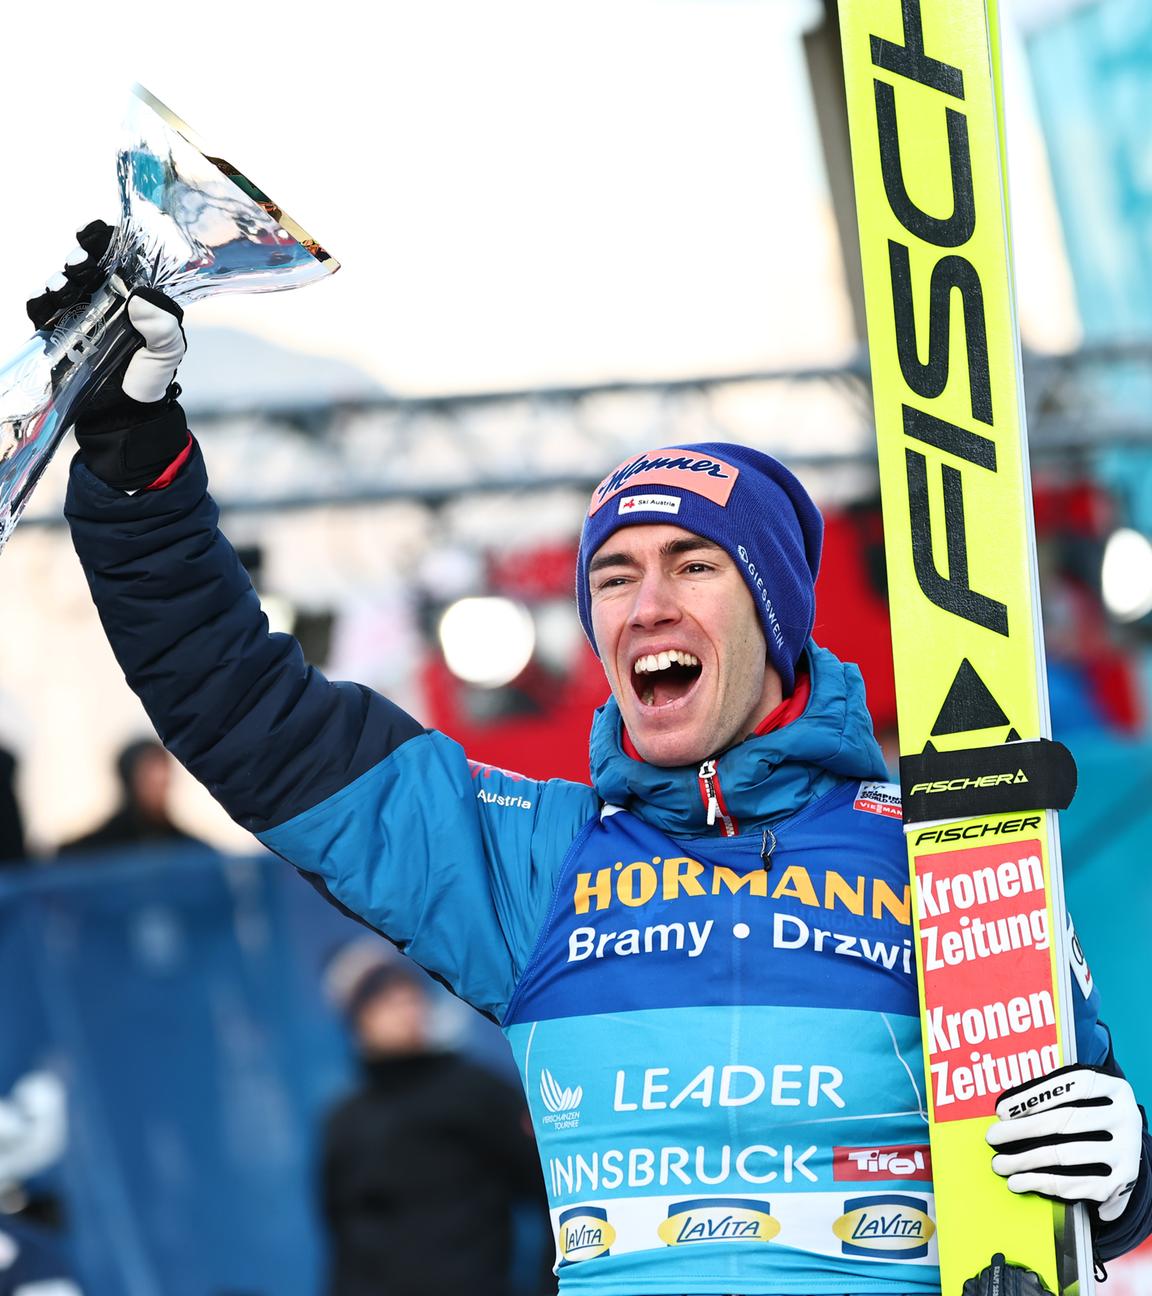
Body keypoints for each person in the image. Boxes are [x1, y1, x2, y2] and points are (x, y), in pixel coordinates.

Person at [37, 227, 1152, 1293]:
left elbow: (1077, 1154)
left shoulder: (934, 851)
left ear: (775, 615)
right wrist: (139, 468)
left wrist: (1125, 1173)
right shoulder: (537, 863)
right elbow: (245, 708)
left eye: (692, 566)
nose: (645, 603)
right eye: (613, 577)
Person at [320, 942, 553, 1296]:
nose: (406, 1010)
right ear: (359, 1019)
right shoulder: (344, 1122)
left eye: (410, 997)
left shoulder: (477, 1091)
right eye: (386, 1002)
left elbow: (549, 1191)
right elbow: (341, 1236)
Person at [56, 738, 201, 858]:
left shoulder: (189, 849)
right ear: (130, 781)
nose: (159, 789)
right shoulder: (96, 848)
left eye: (163, 782)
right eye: (149, 781)